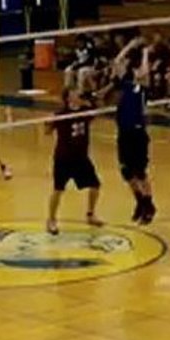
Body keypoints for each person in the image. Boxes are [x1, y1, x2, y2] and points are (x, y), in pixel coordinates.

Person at [107, 35, 156, 224]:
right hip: (124, 132)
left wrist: (144, 52)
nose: (137, 70)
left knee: (140, 172)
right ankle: (140, 202)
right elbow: (117, 62)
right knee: (127, 173)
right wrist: (130, 45)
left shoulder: (142, 88)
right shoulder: (125, 85)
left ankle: (149, 205)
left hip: (137, 133)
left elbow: (145, 72)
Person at [46, 86, 103, 235]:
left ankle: (90, 214)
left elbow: (96, 113)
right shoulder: (61, 114)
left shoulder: (85, 111)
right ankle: (51, 220)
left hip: (81, 158)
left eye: (78, 93)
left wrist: (92, 102)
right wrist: (49, 121)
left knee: (95, 186)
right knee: (58, 190)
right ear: (68, 98)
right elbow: (47, 132)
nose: (78, 95)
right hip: (63, 159)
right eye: (75, 94)